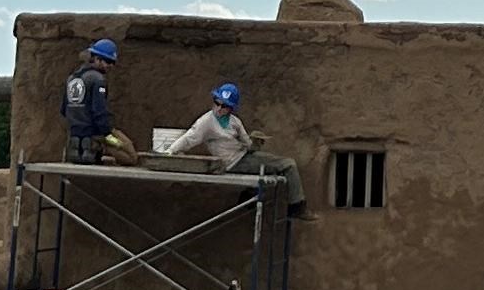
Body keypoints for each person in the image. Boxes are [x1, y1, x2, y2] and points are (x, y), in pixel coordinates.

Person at [165, 83, 317, 221]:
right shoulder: (207, 122)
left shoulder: (234, 121)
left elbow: (247, 143)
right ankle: (297, 207)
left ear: (231, 108)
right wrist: (170, 152)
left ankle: (249, 195)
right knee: (288, 165)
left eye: (224, 106)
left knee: (272, 167)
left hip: (243, 156)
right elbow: (189, 138)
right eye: (217, 103)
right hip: (233, 162)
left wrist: (255, 141)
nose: (219, 108)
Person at [59, 38, 138, 166]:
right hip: (97, 134)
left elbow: (64, 110)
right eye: (107, 61)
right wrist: (107, 136)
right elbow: (99, 111)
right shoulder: (98, 79)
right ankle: (102, 148)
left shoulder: (71, 79)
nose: (110, 66)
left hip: (75, 136)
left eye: (112, 62)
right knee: (130, 155)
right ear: (96, 59)